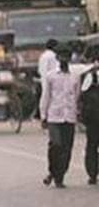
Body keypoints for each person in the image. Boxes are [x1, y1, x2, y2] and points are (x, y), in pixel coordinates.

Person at [40, 49, 79, 188]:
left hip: (69, 117)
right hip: (54, 116)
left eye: (66, 56)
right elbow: (46, 96)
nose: (64, 59)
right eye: (62, 57)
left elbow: (76, 96)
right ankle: (53, 171)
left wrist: (77, 112)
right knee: (56, 145)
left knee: (66, 149)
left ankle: (59, 176)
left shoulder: (75, 77)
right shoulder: (51, 76)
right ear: (57, 58)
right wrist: (43, 115)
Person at [82, 48, 99, 185]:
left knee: (92, 145)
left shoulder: (90, 75)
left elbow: (83, 93)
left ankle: (92, 174)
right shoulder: (91, 74)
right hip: (93, 116)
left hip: (93, 117)